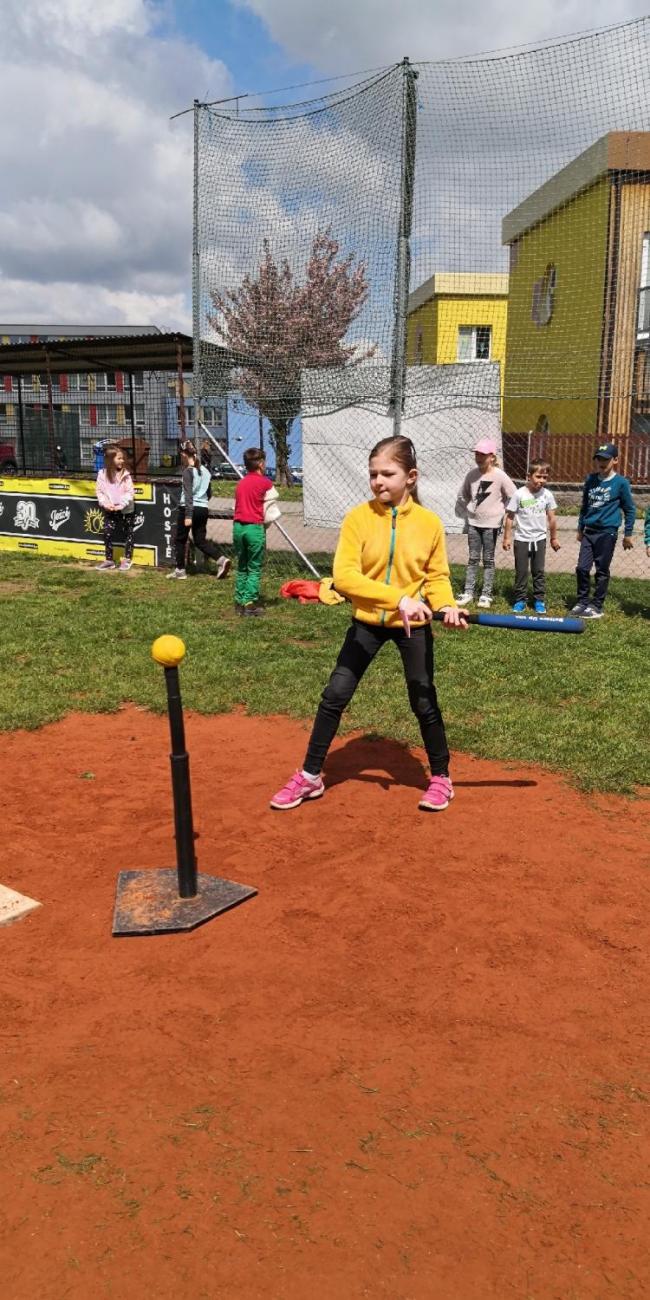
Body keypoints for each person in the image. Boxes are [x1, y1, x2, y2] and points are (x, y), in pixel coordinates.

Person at [270, 435, 468, 815]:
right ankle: (311, 775)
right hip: (367, 623)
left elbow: (437, 576)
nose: (378, 481)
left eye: (387, 473)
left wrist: (447, 605)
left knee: (423, 698)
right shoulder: (358, 519)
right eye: (373, 473)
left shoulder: (429, 524)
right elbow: (344, 578)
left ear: (410, 477)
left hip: (412, 625)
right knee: (335, 695)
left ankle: (441, 777)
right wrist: (398, 599)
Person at [571, 442, 635, 619]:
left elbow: (630, 509)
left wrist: (628, 533)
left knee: (601, 570)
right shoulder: (590, 480)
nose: (601, 462)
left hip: (607, 533)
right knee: (582, 568)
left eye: (606, 459)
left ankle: (596, 606)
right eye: (599, 458)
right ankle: (582, 601)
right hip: (589, 531)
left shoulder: (620, 483)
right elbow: (585, 506)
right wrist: (580, 527)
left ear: (615, 460)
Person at [455, 438, 516, 608]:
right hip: (474, 523)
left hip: (492, 524)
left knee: (488, 559)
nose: (478, 457)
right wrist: (469, 507)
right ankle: (468, 592)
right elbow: (463, 494)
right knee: (473, 558)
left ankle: (486, 594)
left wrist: (503, 511)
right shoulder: (472, 475)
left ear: (492, 457)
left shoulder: (499, 475)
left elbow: (513, 494)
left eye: (482, 454)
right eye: (477, 454)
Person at [168, 440, 231, 581]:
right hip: (203, 509)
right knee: (200, 541)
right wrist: (201, 504)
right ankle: (221, 560)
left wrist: (188, 515)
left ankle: (180, 570)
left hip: (188, 509)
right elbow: (209, 494)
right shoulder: (206, 471)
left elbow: (189, 495)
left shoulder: (187, 472)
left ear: (183, 454)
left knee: (179, 540)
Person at [502, 460, 560, 613]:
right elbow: (509, 517)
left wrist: (553, 538)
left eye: (545, 477)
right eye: (538, 476)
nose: (541, 481)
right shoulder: (519, 494)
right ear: (529, 476)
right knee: (521, 571)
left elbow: (552, 518)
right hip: (521, 540)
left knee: (538, 571)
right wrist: (507, 537)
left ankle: (539, 600)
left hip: (539, 539)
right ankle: (520, 599)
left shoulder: (547, 495)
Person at [233, 447, 274, 616]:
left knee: (242, 565)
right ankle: (249, 603)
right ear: (261, 464)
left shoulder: (241, 483)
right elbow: (273, 499)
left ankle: (239, 601)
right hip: (254, 528)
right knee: (254, 567)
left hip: (238, 527)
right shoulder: (265, 482)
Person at [95, 444, 135, 572]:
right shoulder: (102, 474)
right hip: (110, 510)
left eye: (122, 458)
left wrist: (121, 505)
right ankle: (109, 561)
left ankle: (126, 560)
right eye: (119, 458)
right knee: (107, 533)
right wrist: (106, 504)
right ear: (110, 459)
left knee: (127, 534)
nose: (122, 461)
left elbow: (130, 492)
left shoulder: (126, 475)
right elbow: (99, 492)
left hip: (125, 509)